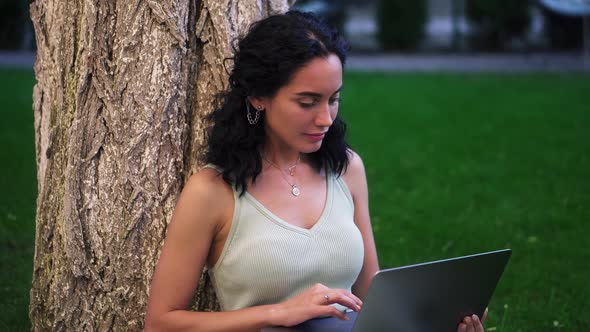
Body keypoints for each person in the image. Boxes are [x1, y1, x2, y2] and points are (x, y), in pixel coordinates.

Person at [144, 11, 486, 332]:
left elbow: (374, 299)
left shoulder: (347, 169)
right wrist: (280, 312)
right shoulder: (212, 191)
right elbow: (161, 322)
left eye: (333, 99)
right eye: (307, 102)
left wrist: (439, 319)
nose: (326, 118)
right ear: (259, 97)